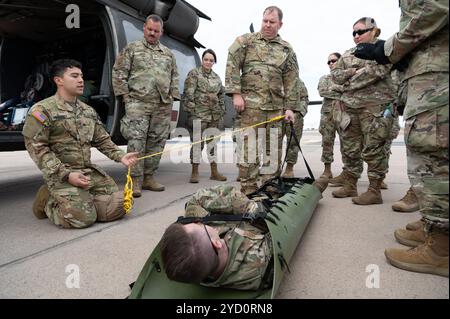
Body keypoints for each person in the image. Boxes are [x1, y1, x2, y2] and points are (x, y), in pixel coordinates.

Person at [354, 0, 448, 277]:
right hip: (426, 72)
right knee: (430, 154)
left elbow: (435, 7)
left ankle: (441, 247)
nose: (357, 38)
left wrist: (389, 49)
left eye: (361, 32)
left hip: (436, 75)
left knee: (434, 153)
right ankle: (434, 227)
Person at [22, 59, 138, 229]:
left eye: (81, 76)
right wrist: (67, 175)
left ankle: (83, 201)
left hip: (87, 172)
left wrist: (121, 156)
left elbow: (102, 140)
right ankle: (47, 199)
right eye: (74, 76)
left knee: (118, 205)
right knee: (83, 219)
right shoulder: (42, 111)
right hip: (60, 174)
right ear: (58, 80)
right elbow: (38, 150)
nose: (81, 80)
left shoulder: (88, 111)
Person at [160, 177, 328, 290]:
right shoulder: (260, 258)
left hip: (224, 232)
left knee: (195, 202)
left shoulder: (200, 266)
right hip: (260, 220)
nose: (197, 222)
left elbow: (195, 206)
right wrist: (254, 210)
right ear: (216, 243)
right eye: (198, 225)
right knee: (315, 187)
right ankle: (319, 185)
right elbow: (286, 224)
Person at [225, 6, 298, 195]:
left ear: (280, 24)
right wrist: (235, 93)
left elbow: (291, 80)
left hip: (275, 109)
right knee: (248, 149)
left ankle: (270, 188)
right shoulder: (246, 41)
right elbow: (232, 63)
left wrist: (290, 108)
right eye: (265, 20)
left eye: (272, 22)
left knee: (272, 151)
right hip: (250, 108)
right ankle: (249, 189)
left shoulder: (286, 49)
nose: (267, 25)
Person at [112, 14, 180, 197]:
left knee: (157, 142)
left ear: (161, 32)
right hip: (137, 103)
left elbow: (174, 77)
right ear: (144, 28)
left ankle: (149, 177)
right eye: (150, 29)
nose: (152, 33)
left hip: (162, 105)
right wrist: (125, 97)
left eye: (156, 31)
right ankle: (134, 180)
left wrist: (172, 97)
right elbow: (119, 72)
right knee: (136, 141)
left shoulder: (168, 54)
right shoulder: (132, 49)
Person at [330, 17, 396, 205]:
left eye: (360, 32)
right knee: (351, 149)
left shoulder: (384, 50)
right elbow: (335, 76)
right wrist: (353, 73)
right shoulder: (348, 53)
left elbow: (378, 72)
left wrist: (348, 83)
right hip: (350, 109)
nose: (356, 36)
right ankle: (350, 184)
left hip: (375, 108)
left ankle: (374, 190)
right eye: (354, 33)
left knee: (373, 149)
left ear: (374, 30)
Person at [183, 49, 227, 183]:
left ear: (214, 62)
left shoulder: (216, 77)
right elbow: (188, 94)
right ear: (202, 60)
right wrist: (192, 113)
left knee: (213, 144)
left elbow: (221, 95)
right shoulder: (194, 74)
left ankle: (214, 172)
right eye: (206, 59)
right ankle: (194, 172)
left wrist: (221, 111)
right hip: (199, 115)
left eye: (211, 60)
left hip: (214, 116)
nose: (208, 62)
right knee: (197, 144)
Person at [317, 52, 345, 181]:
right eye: (328, 62)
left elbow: (351, 90)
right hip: (328, 116)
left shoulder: (346, 77)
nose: (331, 64)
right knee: (327, 143)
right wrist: (341, 89)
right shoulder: (324, 78)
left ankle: (347, 172)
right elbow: (323, 92)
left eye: (333, 61)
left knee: (347, 144)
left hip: (344, 114)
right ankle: (327, 171)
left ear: (340, 61)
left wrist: (335, 88)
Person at [281, 77, 308, 178]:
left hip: (294, 116)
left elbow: (304, 98)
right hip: (277, 115)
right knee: (272, 141)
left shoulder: (297, 81)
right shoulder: (274, 79)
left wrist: (300, 113)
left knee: (292, 143)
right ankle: (273, 167)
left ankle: (289, 168)